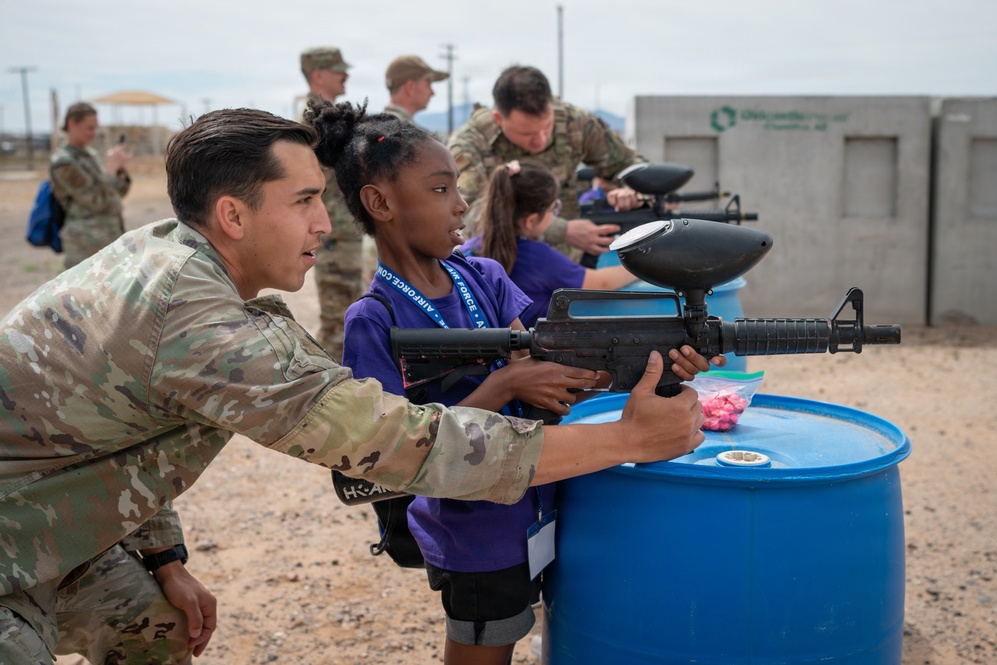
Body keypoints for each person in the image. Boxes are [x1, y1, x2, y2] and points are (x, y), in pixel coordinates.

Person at [1, 106, 708, 665]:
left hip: (46, 522)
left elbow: (125, 427)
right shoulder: (201, 325)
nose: (323, 222)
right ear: (233, 215)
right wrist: (625, 438)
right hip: (13, 542)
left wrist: (162, 557)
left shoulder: (168, 257)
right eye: (304, 199)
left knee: (153, 624)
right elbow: (392, 444)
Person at [305, 98, 716, 665]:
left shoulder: (485, 276)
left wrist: (653, 365)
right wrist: (501, 387)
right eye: (440, 189)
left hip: (544, 500)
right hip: (475, 534)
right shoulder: (374, 319)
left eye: (456, 187)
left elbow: (550, 373)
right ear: (380, 202)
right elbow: (385, 458)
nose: (462, 203)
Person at [448, 64, 646, 259]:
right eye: (527, 133)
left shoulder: (573, 122)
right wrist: (559, 230)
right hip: (499, 268)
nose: (541, 140)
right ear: (499, 119)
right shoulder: (470, 145)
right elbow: (465, 218)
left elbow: (629, 164)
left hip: (564, 264)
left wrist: (629, 189)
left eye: (547, 127)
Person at [460, 160, 639, 328]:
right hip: (530, 354)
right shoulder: (538, 258)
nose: (555, 214)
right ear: (531, 221)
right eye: (554, 209)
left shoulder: (471, 248)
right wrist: (641, 264)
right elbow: (602, 284)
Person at [299, 45, 363, 359]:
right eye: (339, 69)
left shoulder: (329, 117)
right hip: (335, 234)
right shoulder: (310, 123)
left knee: (348, 314)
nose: (346, 75)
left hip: (343, 232)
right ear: (319, 74)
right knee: (339, 321)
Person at [49, 101, 131, 269]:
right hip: (84, 247)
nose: (94, 133)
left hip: (108, 240)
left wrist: (119, 173)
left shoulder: (90, 155)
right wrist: (109, 171)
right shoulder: (64, 163)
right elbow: (95, 201)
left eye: (96, 128)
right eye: (89, 128)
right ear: (72, 124)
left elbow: (115, 194)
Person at [383, 54, 449, 124]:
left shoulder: (383, 125)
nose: (432, 93)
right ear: (410, 87)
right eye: (428, 84)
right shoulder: (401, 129)